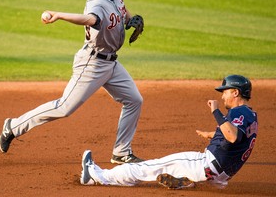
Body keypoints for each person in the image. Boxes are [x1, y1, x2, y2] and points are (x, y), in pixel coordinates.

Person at [0, 0, 144, 164]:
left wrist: (130, 20)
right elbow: (89, 19)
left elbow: (122, 10)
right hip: (92, 64)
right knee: (64, 107)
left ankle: (121, 152)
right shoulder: (96, 6)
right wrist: (59, 15)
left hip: (112, 63)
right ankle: (13, 126)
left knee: (134, 100)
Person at [80, 74, 258, 189]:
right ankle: (185, 181)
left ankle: (97, 176)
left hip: (206, 165)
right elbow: (238, 137)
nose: (222, 95)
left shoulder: (236, 112)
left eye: (225, 92)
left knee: (147, 167)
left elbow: (232, 136)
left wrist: (216, 112)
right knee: (174, 166)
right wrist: (211, 134)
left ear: (235, 93)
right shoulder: (251, 115)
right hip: (221, 175)